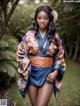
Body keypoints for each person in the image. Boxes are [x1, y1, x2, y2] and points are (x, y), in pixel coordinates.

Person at [16, 5, 66, 106]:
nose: (42, 21)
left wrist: (56, 72)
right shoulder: (28, 35)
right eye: (39, 18)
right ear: (36, 19)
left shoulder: (55, 36)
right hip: (31, 74)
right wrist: (27, 68)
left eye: (45, 18)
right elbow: (21, 53)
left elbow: (59, 56)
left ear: (50, 19)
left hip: (48, 75)